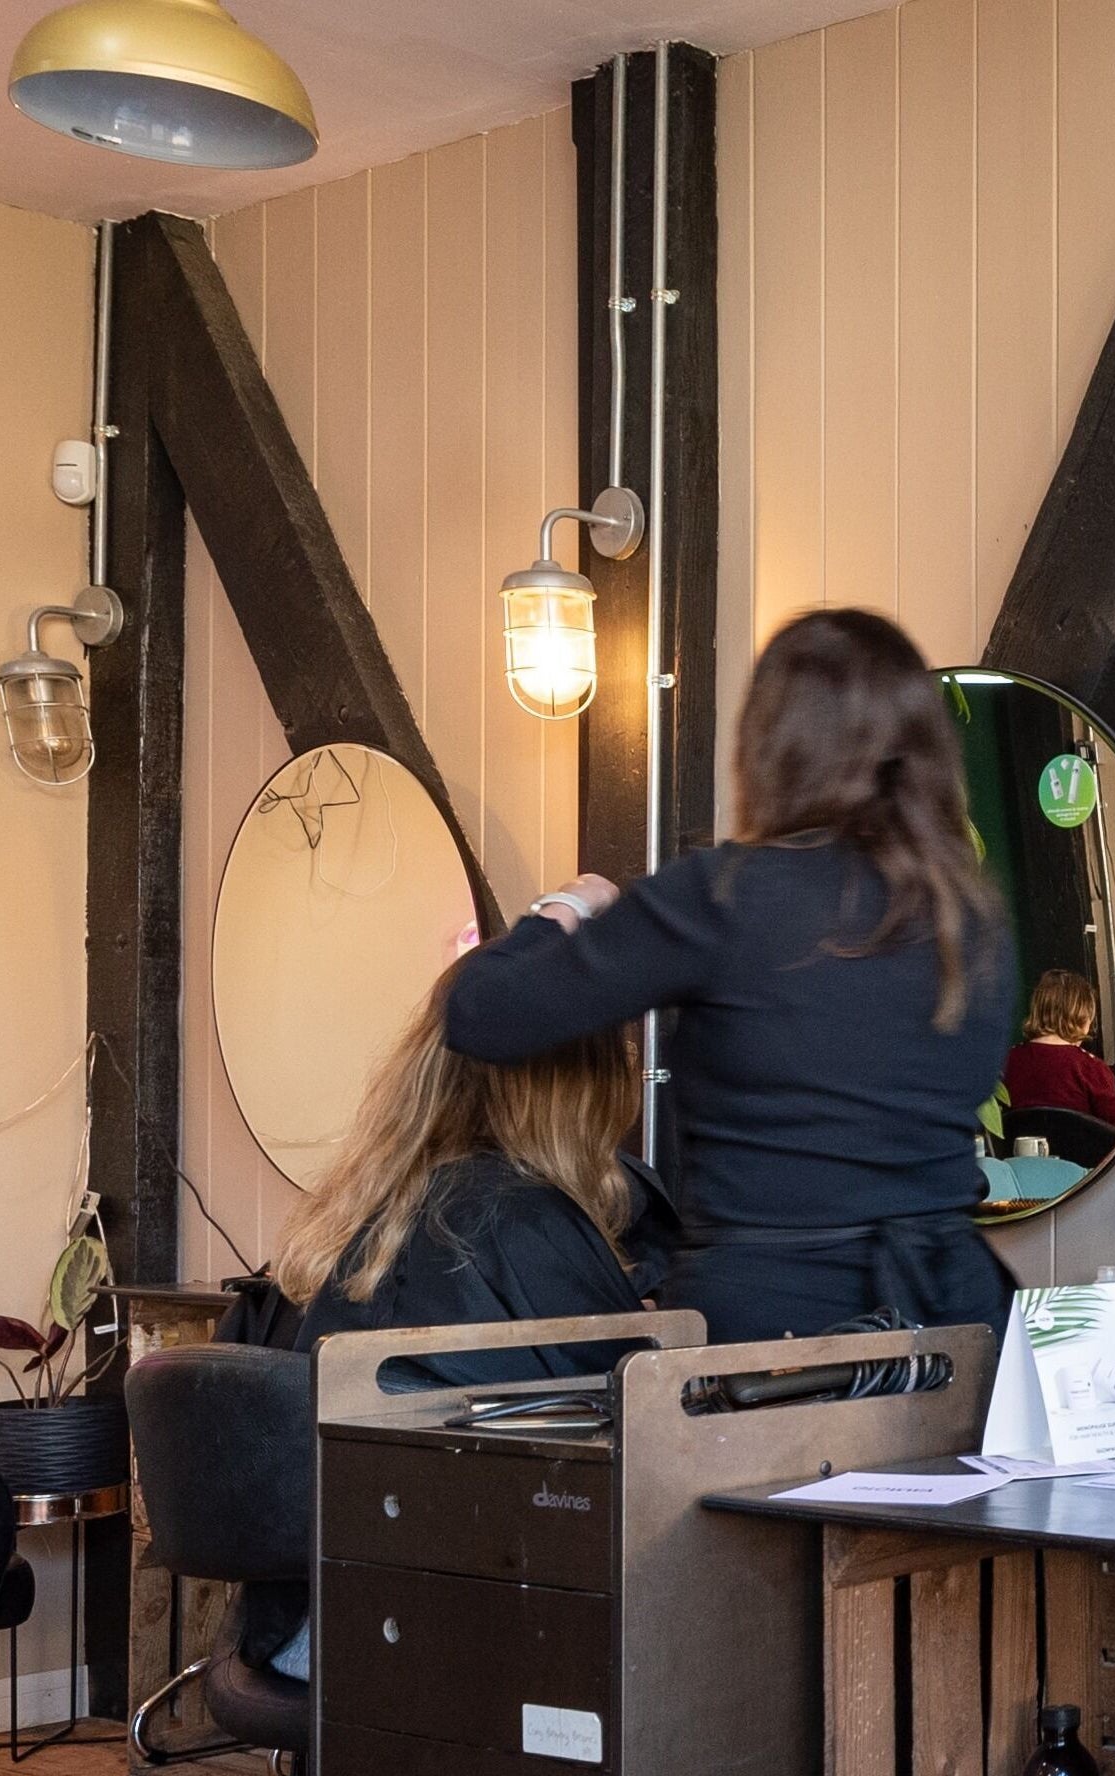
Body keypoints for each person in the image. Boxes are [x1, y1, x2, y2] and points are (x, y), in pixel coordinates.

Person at [444, 607, 1015, 1343]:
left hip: (774, 1334)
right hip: (959, 1321)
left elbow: (479, 1013)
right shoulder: (970, 920)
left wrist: (564, 907)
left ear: (774, 745)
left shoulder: (723, 896)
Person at [219, 963, 665, 1682]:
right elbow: (648, 1414)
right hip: (406, 1626)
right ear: (580, 1091)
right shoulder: (516, 1215)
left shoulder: (365, 1209)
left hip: (306, 1616)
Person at [1000, 969, 1115, 1132]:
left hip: (1017, 1157)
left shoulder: (1006, 1061)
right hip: (1083, 1157)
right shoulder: (1092, 1069)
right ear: (1083, 1018)